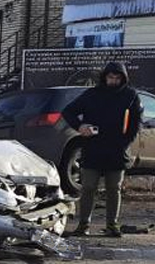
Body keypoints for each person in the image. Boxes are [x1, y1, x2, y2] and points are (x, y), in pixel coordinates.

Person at [60, 61, 143, 237]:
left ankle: (112, 225)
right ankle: (84, 225)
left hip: (117, 149)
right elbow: (68, 111)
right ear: (104, 77)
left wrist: (125, 142)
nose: (113, 81)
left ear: (123, 79)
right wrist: (80, 126)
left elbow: (136, 124)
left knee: (114, 188)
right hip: (93, 147)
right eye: (110, 77)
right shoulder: (92, 94)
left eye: (117, 78)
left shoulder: (130, 96)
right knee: (88, 186)